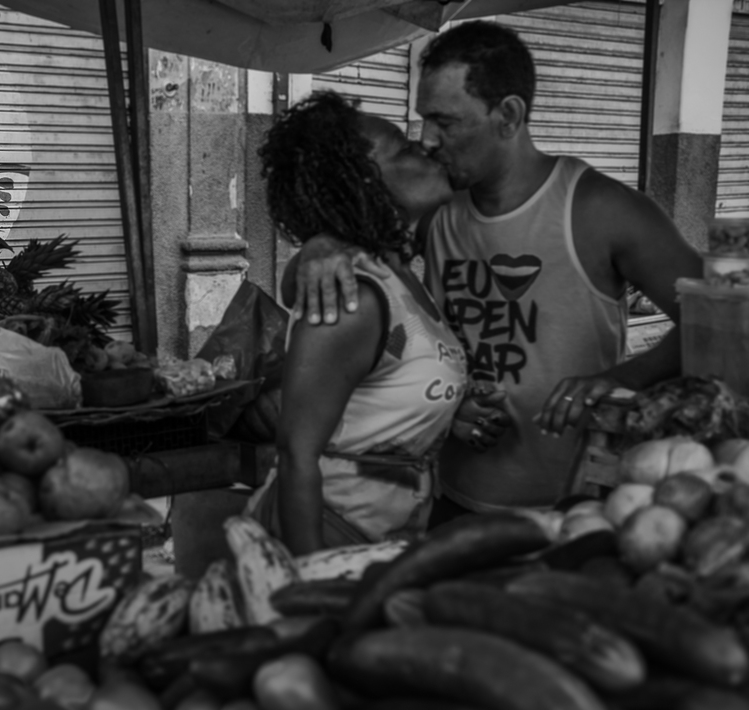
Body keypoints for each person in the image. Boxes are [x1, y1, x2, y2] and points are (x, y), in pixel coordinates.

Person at [289, 21, 703, 517]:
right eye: (423, 120)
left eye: (446, 122)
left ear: (508, 115)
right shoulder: (436, 205)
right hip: (443, 498)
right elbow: (327, 280)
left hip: (573, 505)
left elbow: (717, 318)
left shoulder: (600, 209)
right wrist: (320, 243)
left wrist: (623, 377)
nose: (427, 140)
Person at [245, 91, 468, 556]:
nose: (425, 147)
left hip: (382, 538)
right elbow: (297, 455)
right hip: (328, 532)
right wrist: (310, 581)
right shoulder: (356, 296)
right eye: (403, 148)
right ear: (363, 182)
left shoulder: (401, 276)